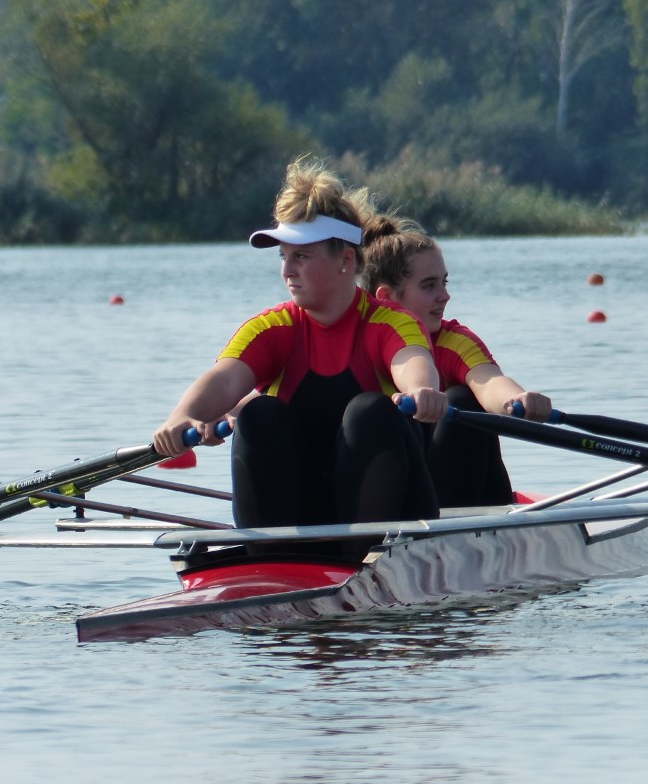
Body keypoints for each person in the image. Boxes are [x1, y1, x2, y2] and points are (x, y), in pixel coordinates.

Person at [153, 160, 447, 556]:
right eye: (284, 257)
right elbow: (224, 379)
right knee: (259, 414)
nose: (287, 270)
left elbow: (411, 361)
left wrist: (422, 390)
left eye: (302, 257)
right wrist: (181, 417)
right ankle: (270, 559)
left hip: (392, 522)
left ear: (345, 260)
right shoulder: (272, 328)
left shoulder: (390, 322)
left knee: (369, 411)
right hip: (303, 517)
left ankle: (358, 558)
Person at [360, 215, 552, 508]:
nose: (445, 296)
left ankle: (452, 527)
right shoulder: (358, 338)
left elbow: (489, 381)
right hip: (395, 492)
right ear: (386, 297)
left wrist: (517, 400)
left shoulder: (453, 341)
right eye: (429, 286)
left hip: (459, 495)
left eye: (444, 283)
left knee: (462, 399)